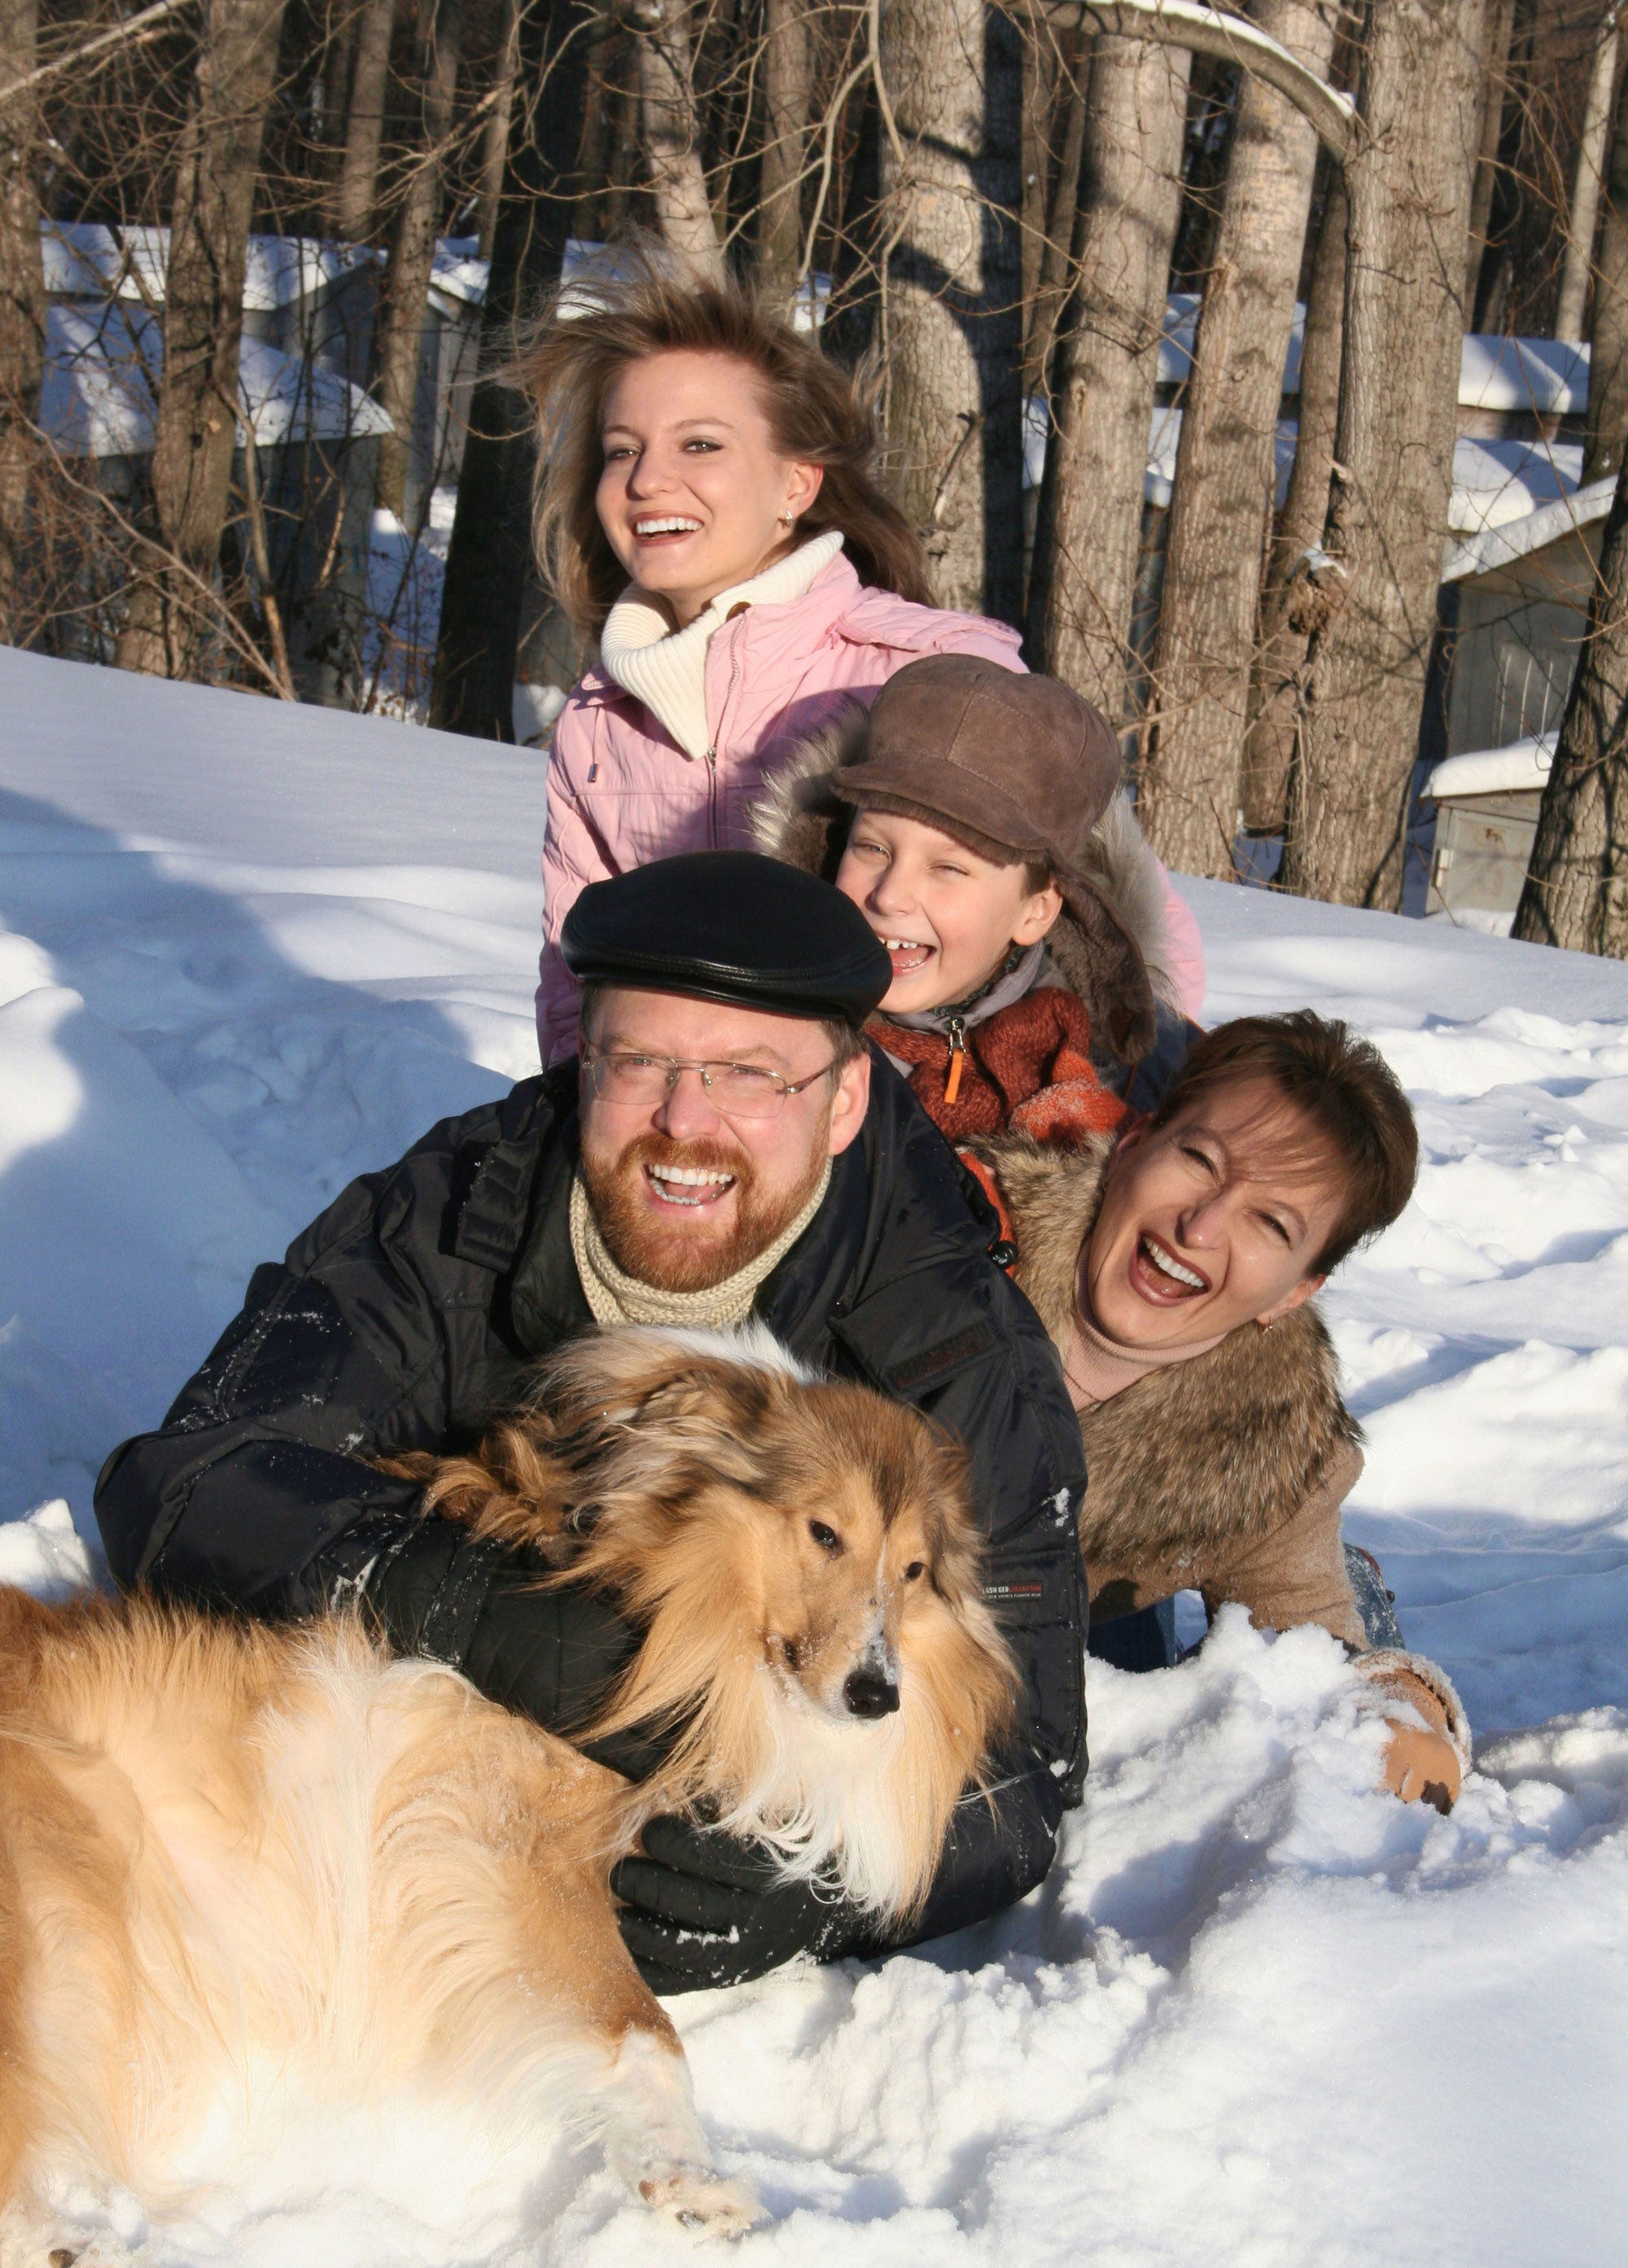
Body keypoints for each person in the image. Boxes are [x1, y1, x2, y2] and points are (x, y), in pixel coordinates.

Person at [94, 853, 1090, 1991]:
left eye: (751, 1075)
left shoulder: (961, 1342)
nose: (683, 1121)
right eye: (640, 1061)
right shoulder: (448, 1216)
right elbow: (187, 1482)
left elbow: (1032, 1770)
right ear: (584, 1058)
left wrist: (830, 1891)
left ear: (847, 1097)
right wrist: (500, 1619)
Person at [519, 261, 1205, 1063]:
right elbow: (578, 981)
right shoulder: (597, 725)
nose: (646, 480)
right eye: (619, 449)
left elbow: (1120, 935)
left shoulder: (925, 677)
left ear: (796, 484)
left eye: (699, 444)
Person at [964, 1009, 1469, 1812]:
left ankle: (1358, 1578)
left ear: (1296, 1291)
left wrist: (1401, 1712)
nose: (1198, 1228)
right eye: (1198, 1161)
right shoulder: (943, 1252)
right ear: (1130, 1147)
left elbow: (1315, 1648)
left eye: (1269, 1223)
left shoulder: (1267, 1442)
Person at [752, 654, 1197, 1137]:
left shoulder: (1138, 1080)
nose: (891, 896)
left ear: (1036, 911)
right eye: (873, 847)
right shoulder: (764, 1024)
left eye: (947, 867)